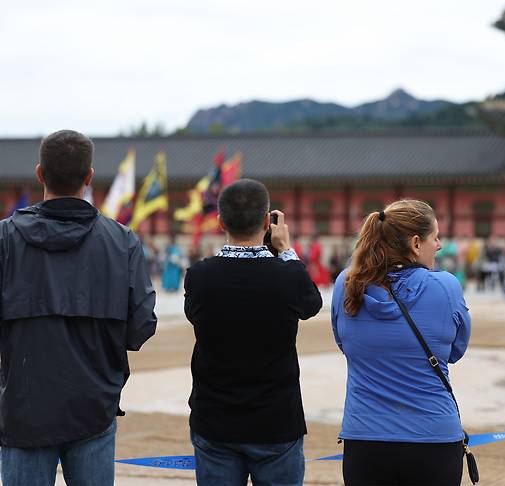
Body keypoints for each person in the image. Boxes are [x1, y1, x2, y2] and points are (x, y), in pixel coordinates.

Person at [0, 130, 157, 486]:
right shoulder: (122, 242)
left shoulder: (5, 239)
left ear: (40, 173)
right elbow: (141, 327)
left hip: (24, 402)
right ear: (89, 177)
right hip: (94, 403)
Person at [184, 179, 323, 486]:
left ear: (220, 222)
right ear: (267, 222)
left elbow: (194, 315)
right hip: (276, 420)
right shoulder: (288, 276)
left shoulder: (200, 277)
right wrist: (285, 250)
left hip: (215, 420)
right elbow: (312, 303)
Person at [331, 199, 471, 486]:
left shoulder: (346, 284)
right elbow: (456, 351)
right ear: (416, 243)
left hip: (366, 437)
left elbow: (343, 343)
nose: (440, 245)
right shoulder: (446, 286)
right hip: (433, 436)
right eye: (436, 237)